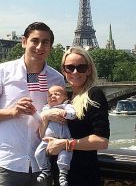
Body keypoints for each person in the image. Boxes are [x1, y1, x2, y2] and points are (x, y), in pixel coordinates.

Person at [0, 22, 65, 186]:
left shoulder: (56, 79)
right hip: (9, 163)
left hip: (43, 164)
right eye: (35, 40)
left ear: (50, 47)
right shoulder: (2, 71)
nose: (39, 46)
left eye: (45, 42)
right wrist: (12, 112)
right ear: (24, 42)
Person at [43, 46, 110, 186]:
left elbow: (102, 141)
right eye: (70, 67)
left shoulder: (94, 94)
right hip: (59, 175)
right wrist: (45, 117)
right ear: (63, 70)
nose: (75, 72)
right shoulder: (65, 98)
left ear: (89, 70)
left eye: (81, 67)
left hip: (83, 176)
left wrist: (65, 143)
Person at [34, 85, 76, 186]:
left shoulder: (65, 106)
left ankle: (63, 174)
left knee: (65, 156)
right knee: (38, 153)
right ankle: (45, 169)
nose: (52, 96)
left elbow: (73, 114)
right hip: (47, 140)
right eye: (49, 95)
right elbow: (40, 119)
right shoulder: (46, 108)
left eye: (56, 94)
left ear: (65, 98)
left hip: (63, 139)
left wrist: (65, 113)